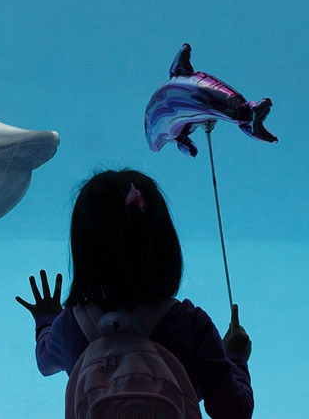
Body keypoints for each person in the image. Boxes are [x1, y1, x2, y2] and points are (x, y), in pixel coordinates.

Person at [16, 169, 253, 419]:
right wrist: (235, 357)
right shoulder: (191, 325)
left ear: (84, 253)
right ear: (165, 246)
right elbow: (233, 410)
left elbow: (45, 361)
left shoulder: (70, 326)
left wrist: (46, 320)